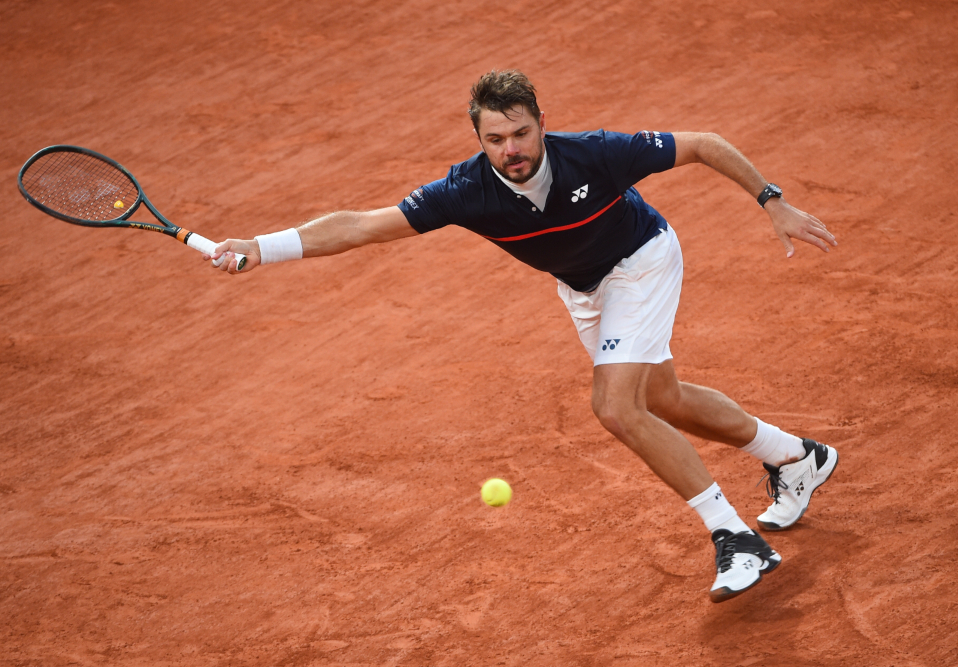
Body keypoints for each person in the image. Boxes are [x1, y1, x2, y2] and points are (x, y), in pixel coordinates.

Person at [206, 70, 839, 603]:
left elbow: (703, 142)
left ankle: (735, 538)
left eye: (521, 133)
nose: (512, 149)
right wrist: (264, 247)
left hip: (642, 259)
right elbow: (363, 226)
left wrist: (771, 199)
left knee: (616, 407)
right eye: (496, 139)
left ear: (542, 122)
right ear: (478, 140)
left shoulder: (596, 154)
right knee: (662, 402)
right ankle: (796, 456)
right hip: (585, 288)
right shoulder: (465, 191)